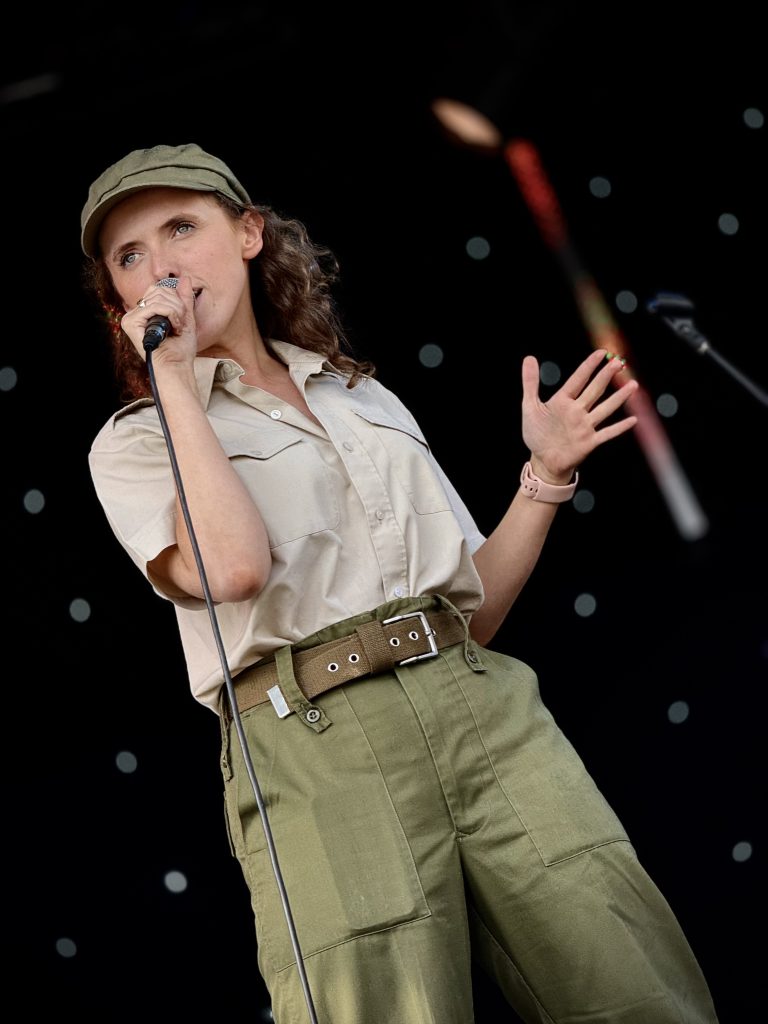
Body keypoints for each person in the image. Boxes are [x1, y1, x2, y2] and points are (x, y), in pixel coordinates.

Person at [81, 142, 719, 1024]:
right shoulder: (136, 441)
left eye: (181, 229)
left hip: (480, 707)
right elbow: (233, 568)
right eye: (129, 255)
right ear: (118, 296)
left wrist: (544, 477)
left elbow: (468, 613)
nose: (160, 266)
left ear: (249, 234)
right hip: (315, 742)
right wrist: (175, 382)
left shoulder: (363, 399)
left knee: (631, 980)